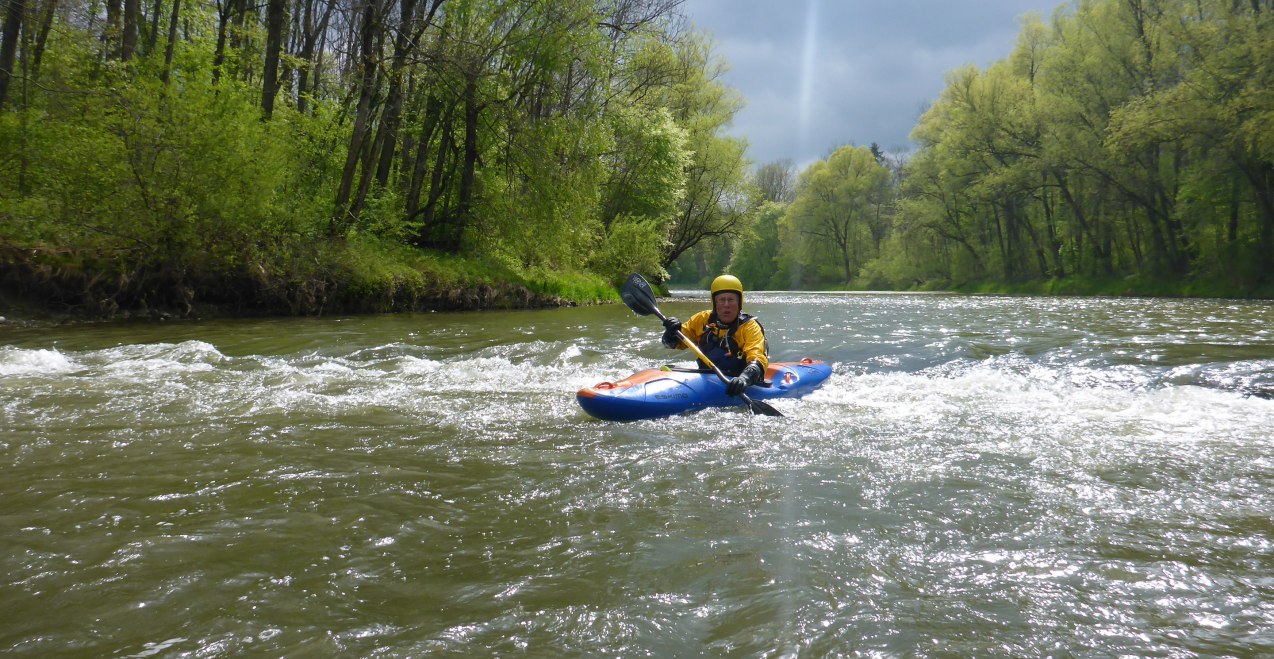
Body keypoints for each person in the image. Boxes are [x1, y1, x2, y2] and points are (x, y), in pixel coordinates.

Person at [661, 274, 769, 396]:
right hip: (705, 381)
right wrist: (670, 333)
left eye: (731, 300)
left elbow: (757, 357)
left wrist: (744, 379)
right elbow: (671, 344)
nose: (726, 305)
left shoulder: (750, 327)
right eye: (722, 300)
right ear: (715, 303)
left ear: (739, 302)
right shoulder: (702, 319)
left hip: (735, 382)